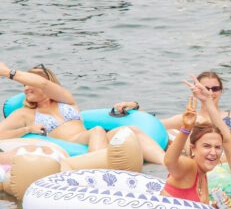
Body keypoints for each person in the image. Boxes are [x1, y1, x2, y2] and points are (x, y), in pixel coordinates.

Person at [0, 63, 165, 164]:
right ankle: (101, 172)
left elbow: (42, 84)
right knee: (97, 130)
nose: (26, 87)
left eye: (28, 83)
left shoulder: (65, 100)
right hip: (73, 145)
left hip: (91, 138)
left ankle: (168, 166)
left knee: (131, 131)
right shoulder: (25, 114)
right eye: (23, 85)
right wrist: (27, 130)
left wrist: (8, 72)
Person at [162, 95, 223, 203]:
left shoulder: (203, 175)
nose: (213, 152)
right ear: (193, 149)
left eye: (217, 147)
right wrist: (186, 128)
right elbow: (169, 161)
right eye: (207, 146)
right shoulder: (190, 167)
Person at [162, 70, 231, 138]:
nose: (209, 93)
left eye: (215, 89)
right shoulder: (188, 119)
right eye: (204, 89)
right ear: (196, 91)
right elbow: (156, 125)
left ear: (221, 91)